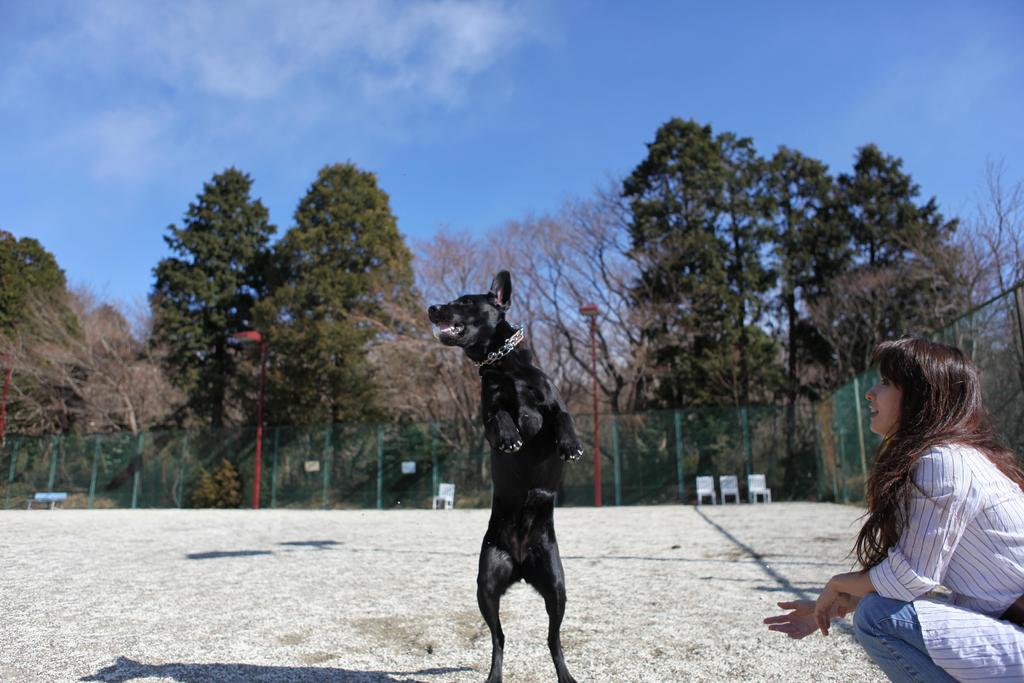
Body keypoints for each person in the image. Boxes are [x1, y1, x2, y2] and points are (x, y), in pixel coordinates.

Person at [764, 337, 1024, 681]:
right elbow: (917, 579)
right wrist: (836, 603)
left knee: (877, 617)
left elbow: (909, 578)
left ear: (921, 396)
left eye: (886, 382)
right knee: (875, 609)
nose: (871, 392)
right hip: (1012, 626)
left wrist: (837, 585)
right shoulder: (955, 455)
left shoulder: (943, 461)